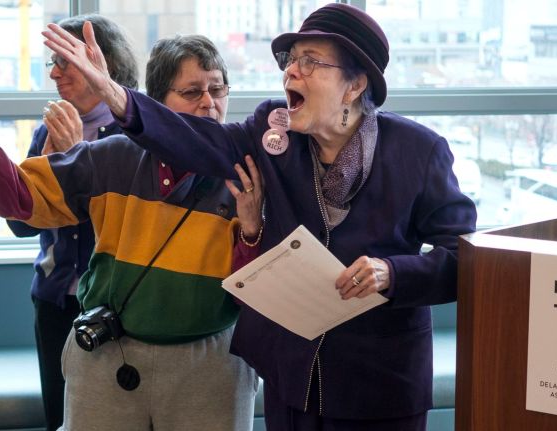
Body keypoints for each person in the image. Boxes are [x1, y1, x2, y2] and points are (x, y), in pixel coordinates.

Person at [42, 3, 478, 430]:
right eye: (291, 61)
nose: (291, 72)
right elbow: (191, 140)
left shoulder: (418, 152)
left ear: (355, 84)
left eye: (311, 61)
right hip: (292, 380)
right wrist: (114, 94)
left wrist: (392, 273)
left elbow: (463, 260)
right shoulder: (275, 132)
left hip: (379, 381)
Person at [0, 34, 259, 431]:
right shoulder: (112, 155)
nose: (209, 103)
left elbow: (266, 277)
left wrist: (251, 230)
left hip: (210, 360)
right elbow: (22, 201)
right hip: (110, 353)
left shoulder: (247, 172)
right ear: (157, 104)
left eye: (218, 89)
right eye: (192, 91)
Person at [4, 14, 139, 431]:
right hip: (56, 303)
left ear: (104, 63)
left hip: (122, 309)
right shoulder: (52, 126)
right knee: (60, 419)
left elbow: (130, 228)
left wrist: (78, 158)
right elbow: (21, 225)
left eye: (65, 61)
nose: (54, 73)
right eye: (52, 61)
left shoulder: (139, 130)